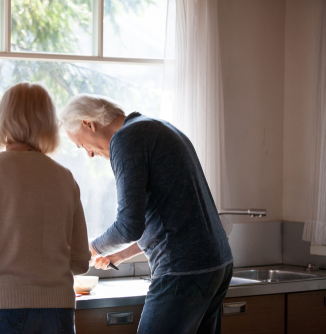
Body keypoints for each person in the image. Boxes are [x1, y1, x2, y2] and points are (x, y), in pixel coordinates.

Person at [60, 94, 233, 334]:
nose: (88, 154)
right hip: (216, 264)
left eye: (81, 144)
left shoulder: (125, 139)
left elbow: (129, 225)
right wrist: (121, 254)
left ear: (89, 123)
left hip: (184, 269)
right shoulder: (156, 127)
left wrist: (88, 249)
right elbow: (169, 218)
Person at [0, 82, 91, 334]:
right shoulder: (65, 178)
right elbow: (80, 262)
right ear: (48, 123)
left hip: (0, 310)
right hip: (58, 311)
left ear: (2, 119)